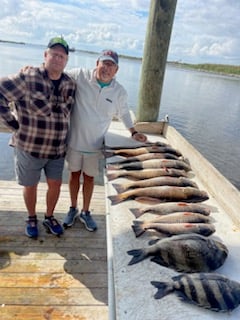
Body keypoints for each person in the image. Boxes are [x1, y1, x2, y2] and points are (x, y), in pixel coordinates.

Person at [63, 49, 147, 231]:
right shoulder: (80, 75)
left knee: (90, 178)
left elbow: (124, 112)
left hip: (95, 145)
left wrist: (133, 132)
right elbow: (56, 74)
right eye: (104, 63)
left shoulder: (119, 92)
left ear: (116, 70)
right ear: (97, 63)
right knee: (74, 176)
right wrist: (35, 71)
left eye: (111, 65)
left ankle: (85, 211)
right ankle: (72, 208)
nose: (107, 68)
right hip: (74, 142)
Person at [0, 36, 76, 238]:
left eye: (62, 56)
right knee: (30, 185)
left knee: (56, 185)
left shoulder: (70, 84)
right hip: (29, 147)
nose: (58, 59)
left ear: (66, 60)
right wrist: (12, 123)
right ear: (45, 55)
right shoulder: (28, 77)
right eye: (54, 54)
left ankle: (49, 216)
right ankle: (31, 217)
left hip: (57, 150)